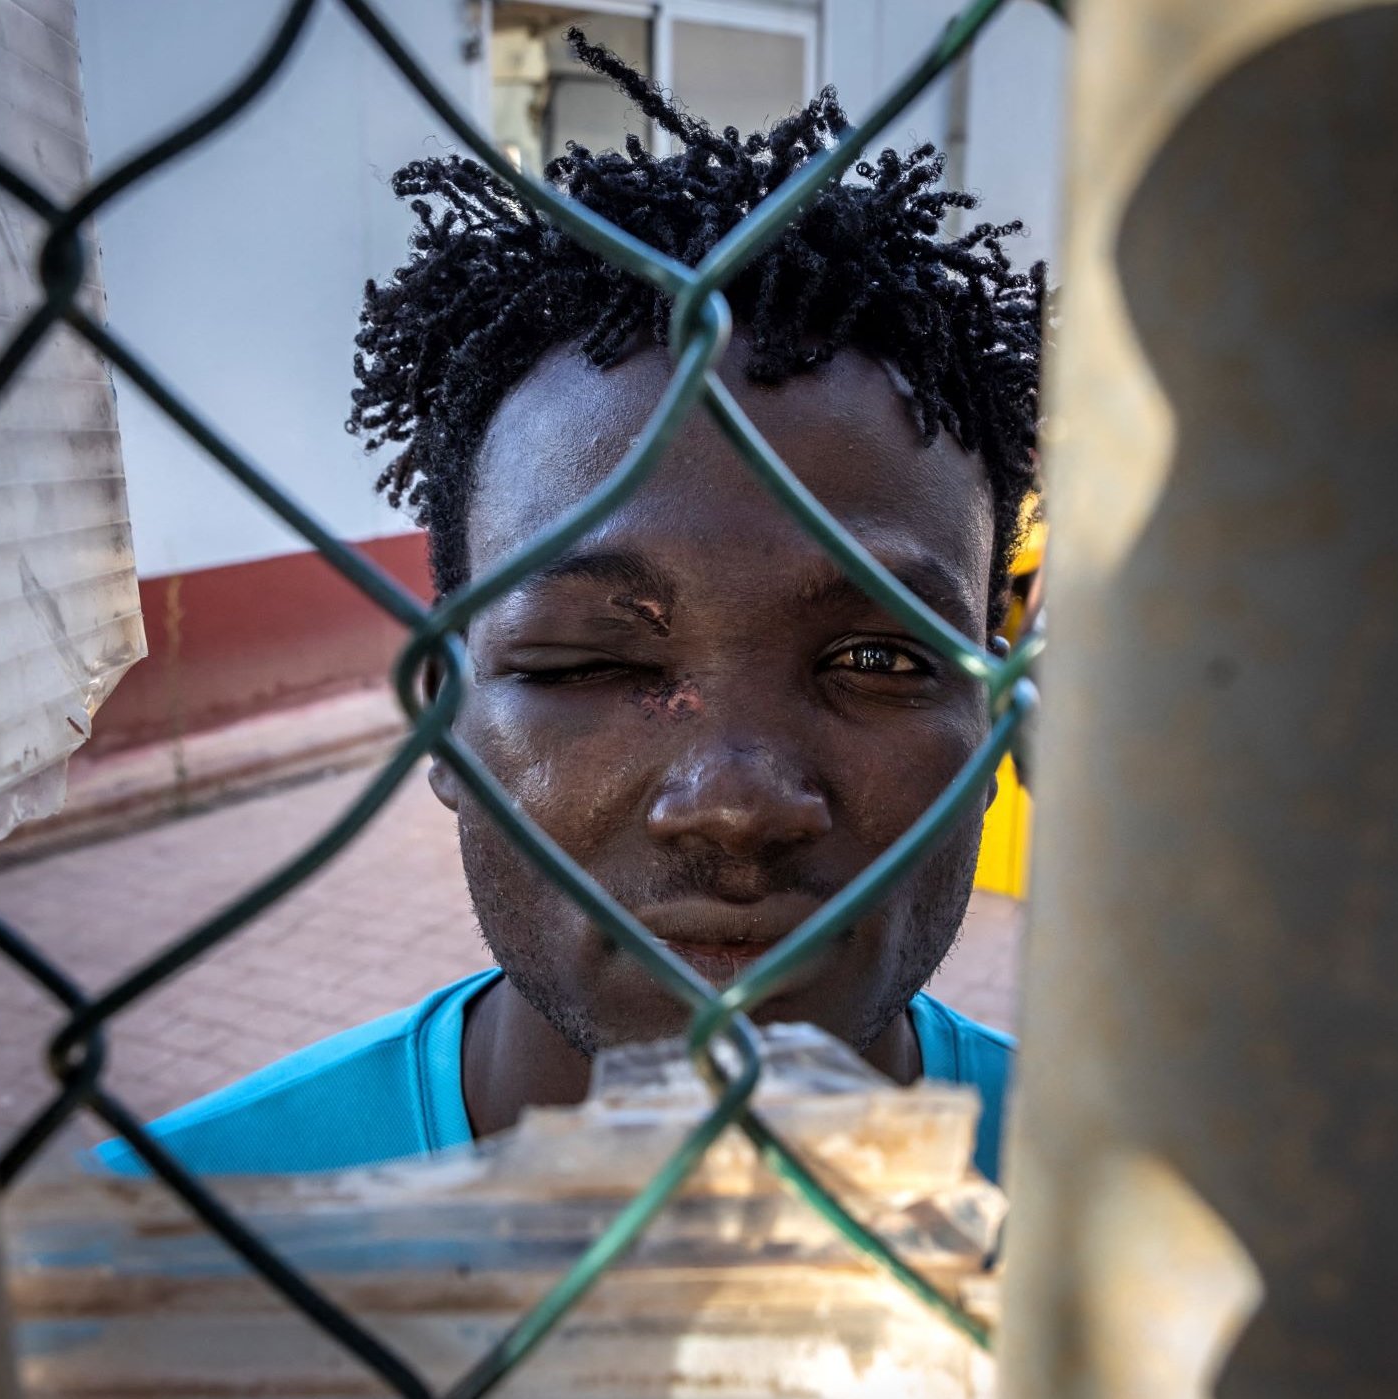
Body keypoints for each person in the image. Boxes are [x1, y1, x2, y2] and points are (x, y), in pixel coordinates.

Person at [102, 36, 1044, 1183]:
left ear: (995, 716)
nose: (737, 804)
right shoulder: (182, 1229)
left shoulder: (1166, 1223)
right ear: (444, 712)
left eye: (878, 657)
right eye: (587, 663)